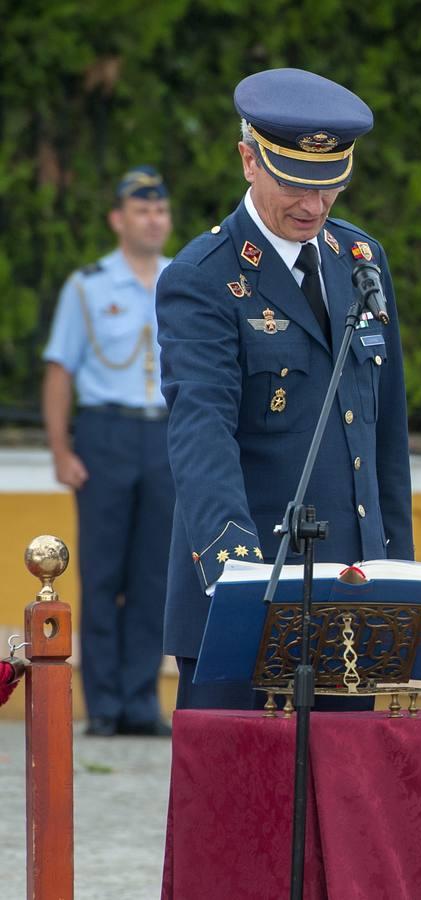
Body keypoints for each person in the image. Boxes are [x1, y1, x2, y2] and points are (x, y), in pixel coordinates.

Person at [156, 68, 413, 710]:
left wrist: (398, 575)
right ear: (249, 160)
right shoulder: (203, 277)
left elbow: (386, 434)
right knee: (239, 806)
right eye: (295, 183)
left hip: (353, 603)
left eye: (331, 186)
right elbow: (201, 433)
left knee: (344, 809)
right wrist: (238, 576)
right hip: (248, 596)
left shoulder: (361, 260)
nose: (314, 206)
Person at [42, 166, 175, 737]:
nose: (154, 220)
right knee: (101, 573)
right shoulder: (88, 286)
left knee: (154, 577)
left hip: (165, 436)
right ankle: (103, 705)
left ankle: (141, 700)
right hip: (105, 434)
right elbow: (59, 370)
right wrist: (59, 449)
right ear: (118, 220)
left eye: (161, 211)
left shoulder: (181, 280)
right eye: (142, 211)